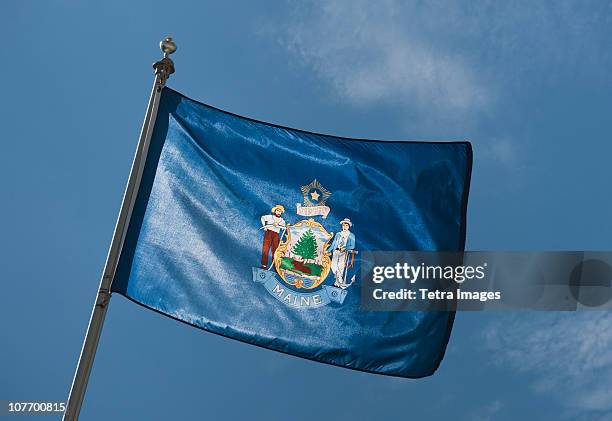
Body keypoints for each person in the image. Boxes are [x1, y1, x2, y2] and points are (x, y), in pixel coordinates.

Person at [329, 218, 355, 288]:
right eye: (344, 225)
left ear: (349, 226)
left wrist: (346, 249)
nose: (345, 227)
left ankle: (338, 283)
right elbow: (334, 243)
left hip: (344, 252)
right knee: (333, 265)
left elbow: (352, 245)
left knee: (341, 266)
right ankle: (338, 280)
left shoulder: (351, 235)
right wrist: (328, 250)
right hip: (336, 251)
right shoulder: (338, 234)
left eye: (346, 225)